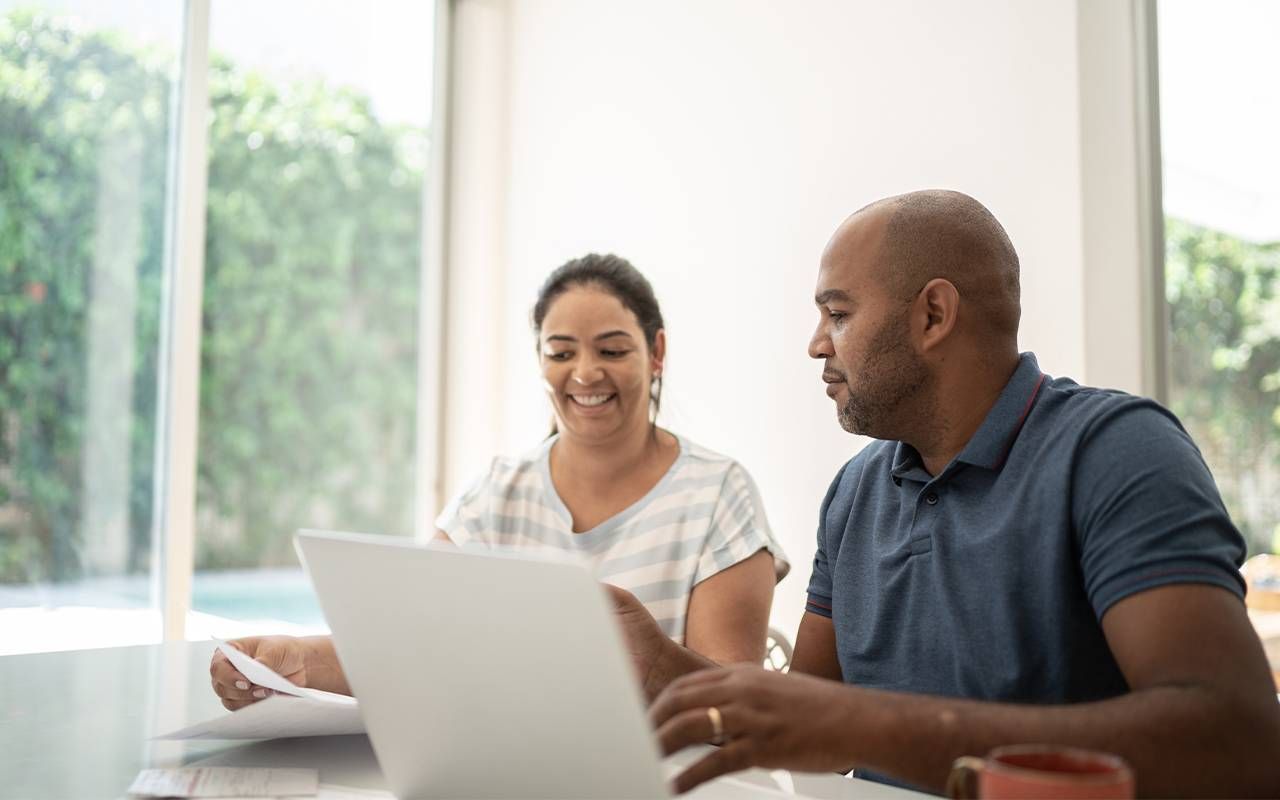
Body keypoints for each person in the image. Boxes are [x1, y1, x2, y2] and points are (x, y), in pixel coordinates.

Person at [627, 190, 1280, 797]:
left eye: (838, 313)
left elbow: (1235, 740)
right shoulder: (854, 492)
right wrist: (665, 673)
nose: (816, 344)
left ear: (933, 315)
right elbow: (812, 735)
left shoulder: (1116, 452)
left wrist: (872, 725)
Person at [210, 254, 789, 709]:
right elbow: (409, 641)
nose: (585, 373)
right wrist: (293, 663)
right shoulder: (497, 493)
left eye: (612, 349)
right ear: (540, 361)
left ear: (655, 352)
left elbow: (739, 702)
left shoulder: (717, 493)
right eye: (560, 352)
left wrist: (656, 661)